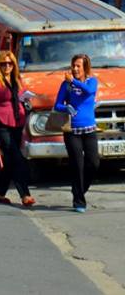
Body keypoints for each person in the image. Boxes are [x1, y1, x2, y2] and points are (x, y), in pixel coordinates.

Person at [0, 51, 35, 207]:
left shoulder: (16, 79)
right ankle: (25, 194)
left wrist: (27, 101)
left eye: (10, 63)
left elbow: (22, 96)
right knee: (17, 157)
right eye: (3, 64)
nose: (7, 66)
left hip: (17, 122)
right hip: (1, 124)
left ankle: (0, 193)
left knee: (11, 161)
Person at [54, 54, 100, 213]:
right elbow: (57, 105)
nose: (74, 69)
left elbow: (88, 91)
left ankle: (78, 190)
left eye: (78, 66)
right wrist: (66, 108)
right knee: (77, 165)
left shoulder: (91, 81)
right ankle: (79, 200)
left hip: (89, 130)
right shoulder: (66, 85)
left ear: (85, 67)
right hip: (72, 130)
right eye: (73, 65)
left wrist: (73, 81)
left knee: (93, 163)